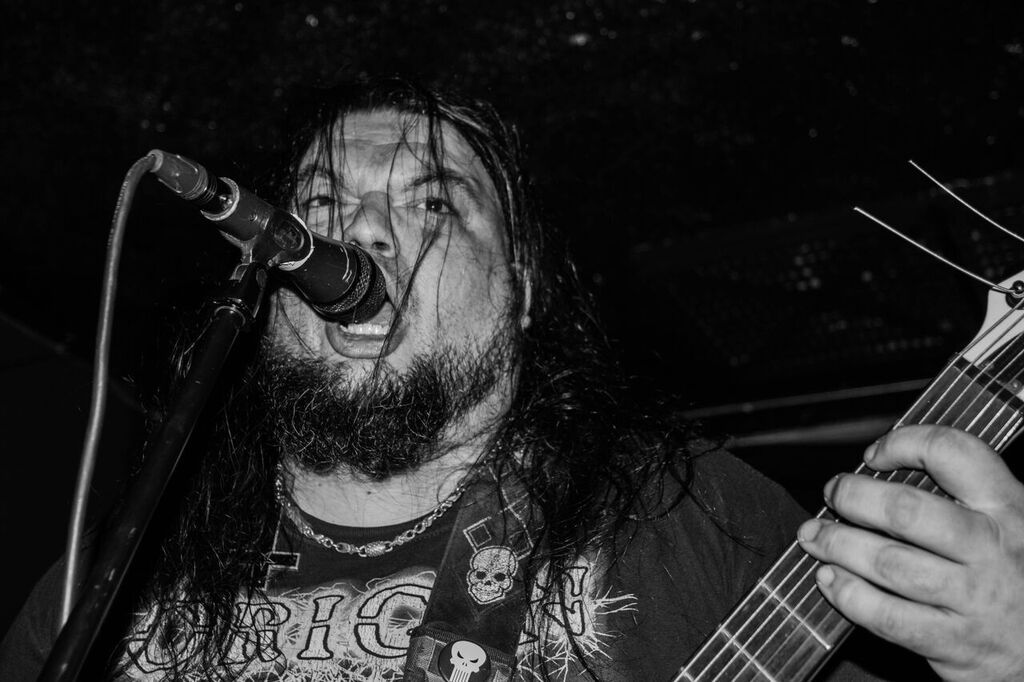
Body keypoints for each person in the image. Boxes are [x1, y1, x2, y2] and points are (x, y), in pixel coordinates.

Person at [3, 76, 1023, 682]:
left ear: (523, 289)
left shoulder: (705, 522)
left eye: (432, 204)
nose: (360, 231)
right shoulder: (103, 587)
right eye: (320, 202)